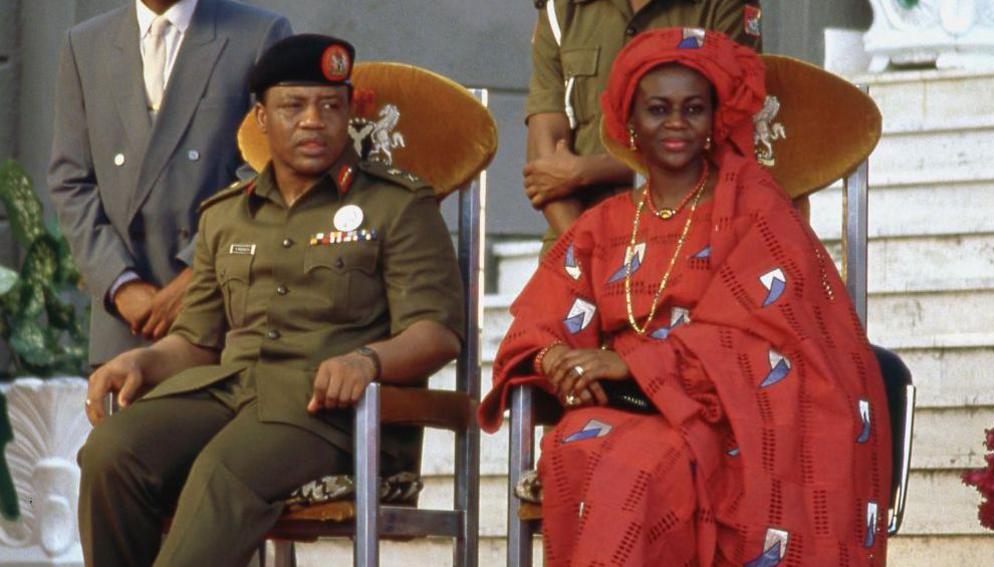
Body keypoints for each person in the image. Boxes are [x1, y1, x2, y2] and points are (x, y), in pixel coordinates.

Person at [480, 28, 892, 565]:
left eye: (692, 109)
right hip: (621, 410)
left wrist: (632, 364)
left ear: (714, 121)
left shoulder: (755, 211)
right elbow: (539, 318)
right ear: (630, 123)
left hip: (726, 414)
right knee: (569, 446)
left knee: (643, 468)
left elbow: (769, 334)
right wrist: (554, 356)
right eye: (658, 109)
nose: (675, 123)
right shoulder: (602, 225)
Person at [76, 34, 465, 567]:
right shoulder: (225, 215)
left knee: (223, 470)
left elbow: (437, 333)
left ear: (349, 112)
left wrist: (367, 361)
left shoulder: (398, 205)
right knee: (111, 454)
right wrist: (139, 359)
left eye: (330, 106)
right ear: (260, 117)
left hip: (328, 414)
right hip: (229, 394)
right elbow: (195, 341)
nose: (313, 121)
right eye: (293, 106)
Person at [47, 0, 291, 366]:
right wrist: (120, 284)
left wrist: (198, 275)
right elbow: (71, 180)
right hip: (128, 326)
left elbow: (268, 169)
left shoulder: (258, 34)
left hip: (222, 317)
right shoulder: (85, 44)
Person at [523, 0, 763, 252]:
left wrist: (585, 172)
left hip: (687, 243)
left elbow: (728, 142)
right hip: (577, 243)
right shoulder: (561, 7)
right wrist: (587, 252)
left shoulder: (725, 5)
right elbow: (545, 166)